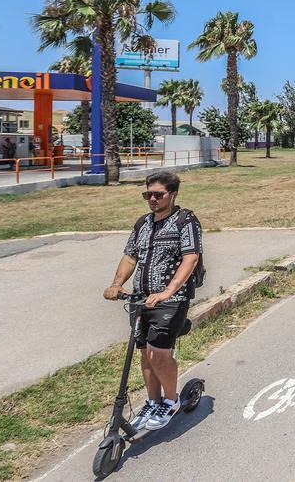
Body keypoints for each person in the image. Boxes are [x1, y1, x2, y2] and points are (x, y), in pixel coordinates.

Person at [103, 171, 203, 431]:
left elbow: (190, 258)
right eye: (148, 194)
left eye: (159, 194)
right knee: (145, 355)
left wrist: (168, 291)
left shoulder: (185, 220)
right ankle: (152, 401)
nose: (153, 199)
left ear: (173, 194)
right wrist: (117, 284)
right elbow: (130, 257)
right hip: (140, 299)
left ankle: (171, 401)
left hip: (171, 299)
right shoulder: (143, 224)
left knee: (158, 354)